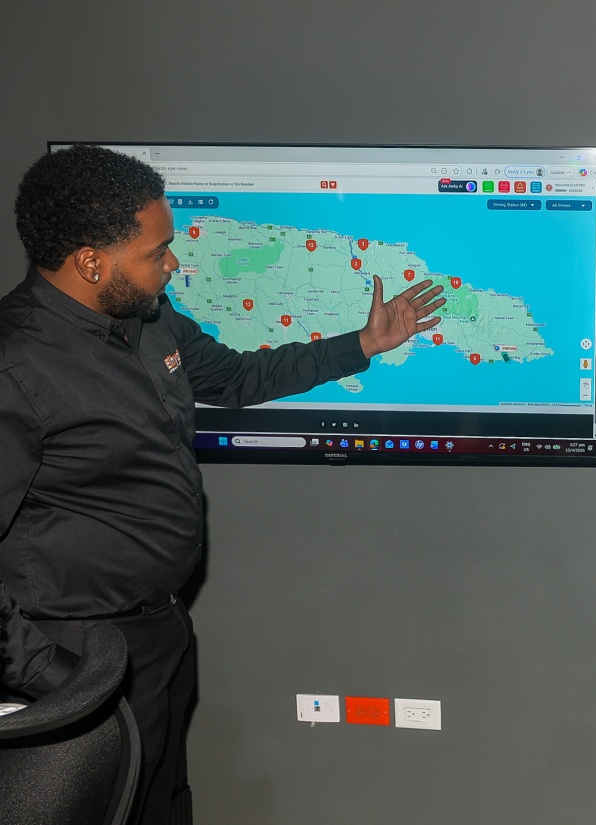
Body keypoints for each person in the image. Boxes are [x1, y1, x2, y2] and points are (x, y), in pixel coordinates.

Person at [0, 144, 445, 825]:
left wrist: (360, 344)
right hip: (76, 651)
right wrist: (61, 678)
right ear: (92, 260)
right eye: (157, 251)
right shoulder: (16, 366)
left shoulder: (148, 321)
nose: (172, 264)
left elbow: (236, 377)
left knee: (160, 801)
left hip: (159, 632)